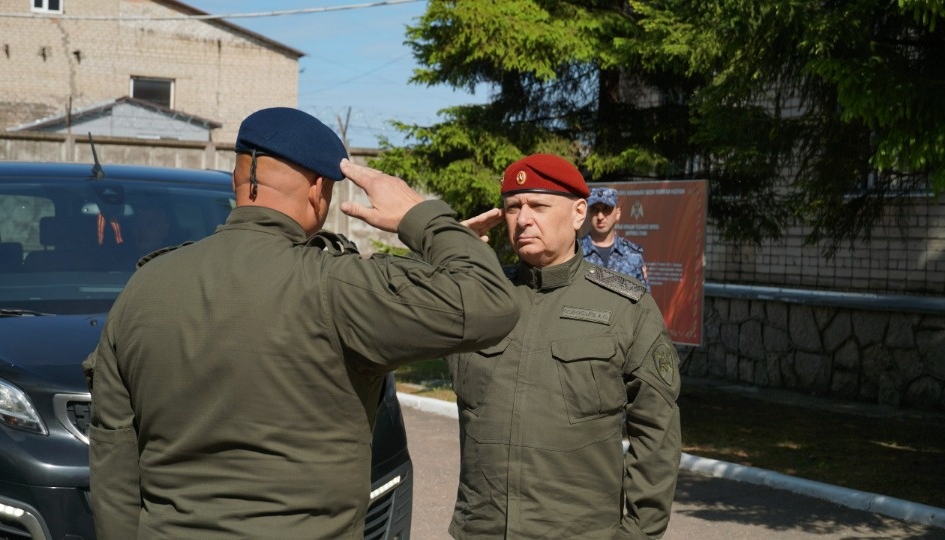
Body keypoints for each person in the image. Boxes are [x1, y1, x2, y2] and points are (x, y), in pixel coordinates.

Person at [81, 107, 520, 539]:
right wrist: (421, 218)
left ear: (237, 181)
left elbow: (113, 465)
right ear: (317, 191)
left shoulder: (142, 289)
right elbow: (490, 301)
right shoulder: (334, 287)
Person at [449, 154, 681, 539]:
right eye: (513, 207)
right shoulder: (476, 297)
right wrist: (441, 258)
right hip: (481, 531)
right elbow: (388, 325)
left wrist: (637, 534)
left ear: (578, 214)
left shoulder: (626, 307)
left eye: (538, 206)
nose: (523, 219)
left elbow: (657, 434)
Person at [580, 186, 650, 290]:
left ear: (617, 213)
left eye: (606, 209)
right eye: (595, 210)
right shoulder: (574, 252)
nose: (600, 217)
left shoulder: (632, 255)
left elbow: (643, 297)